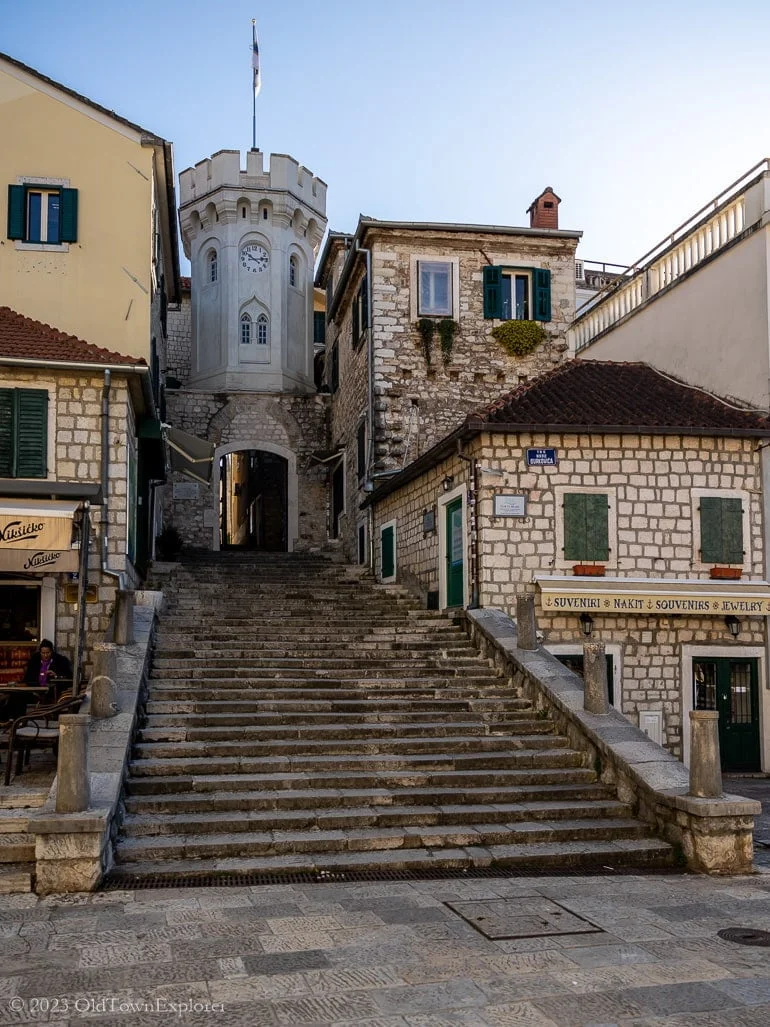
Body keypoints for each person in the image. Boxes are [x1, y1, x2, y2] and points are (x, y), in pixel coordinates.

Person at [0, 641, 73, 725]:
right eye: (43, 653)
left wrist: (56, 675)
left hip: (50, 693)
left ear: (52, 652)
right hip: (35, 691)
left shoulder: (60, 661)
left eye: (48, 653)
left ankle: (17, 721)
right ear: (40, 652)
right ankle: (13, 720)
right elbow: (28, 679)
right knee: (16, 695)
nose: (45, 655)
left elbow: (68, 677)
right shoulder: (35, 660)